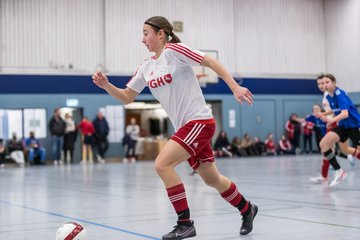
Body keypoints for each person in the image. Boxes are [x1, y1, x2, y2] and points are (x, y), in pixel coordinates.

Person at [92, 16, 257, 239]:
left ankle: (185, 223)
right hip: (184, 128)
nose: (143, 39)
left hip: (198, 121)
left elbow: (210, 62)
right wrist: (106, 85)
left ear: (161, 34)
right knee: (212, 179)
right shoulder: (146, 67)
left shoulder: (175, 51)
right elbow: (127, 97)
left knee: (162, 164)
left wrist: (235, 87)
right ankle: (247, 209)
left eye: (146, 33)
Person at [310, 74, 356, 185]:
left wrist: (330, 121)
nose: (322, 85)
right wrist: (323, 114)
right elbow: (335, 110)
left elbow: (343, 112)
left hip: (345, 125)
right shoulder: (328, 96)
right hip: (340, 125)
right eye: (320, 84)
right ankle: (333, 172)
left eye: (324, 83)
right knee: (326, 146)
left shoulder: (333, 94)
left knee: (336, 149)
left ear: (333, 82)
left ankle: (327, 174)